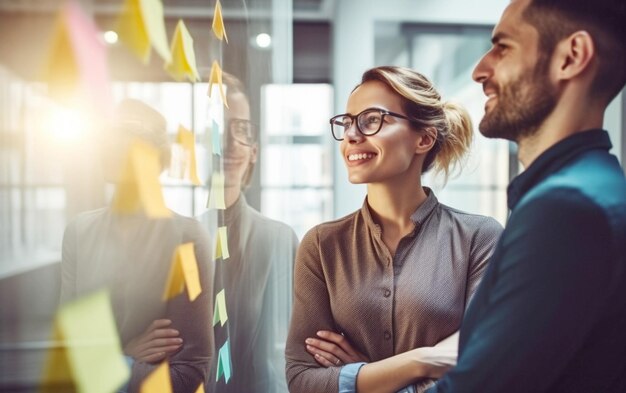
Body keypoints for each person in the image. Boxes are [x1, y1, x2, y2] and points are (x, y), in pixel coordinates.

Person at [426, 0, 626, 392]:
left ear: (571, 57)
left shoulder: (568, 210)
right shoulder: (591, 188)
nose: (480, 70)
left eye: (503, 47)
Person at [285, 66, 503, 393]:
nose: (351, 135)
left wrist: (364, 374)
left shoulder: (479, 238)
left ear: (424, 138)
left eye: (372, 119)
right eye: (347, 122)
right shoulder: (321, 245)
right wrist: (422, 361)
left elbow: (485, 370)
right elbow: (302, 379)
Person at [60, 99, 213, 393]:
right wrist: (128, 354)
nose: (109, 148)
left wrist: (107, 361)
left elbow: (190, 374)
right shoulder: (79, 233)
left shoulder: (188, 239)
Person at [201, 73, 299, 393]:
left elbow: (289, 346)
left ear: (254, 151)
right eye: (219, 129)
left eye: (240, 130)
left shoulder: (280, 240)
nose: (229, 143)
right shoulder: (179, 239)